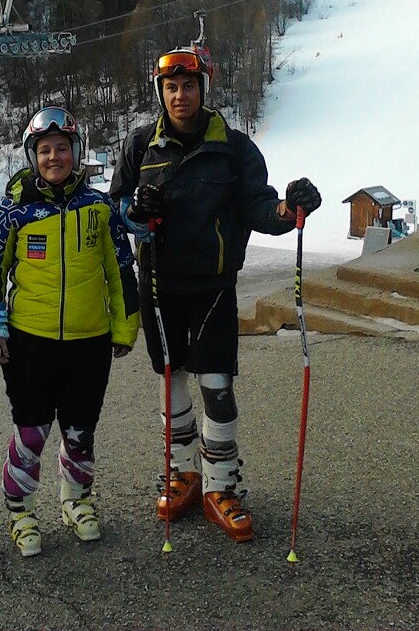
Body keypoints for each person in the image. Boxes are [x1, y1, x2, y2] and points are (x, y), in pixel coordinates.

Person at [109, 45, 321, 542]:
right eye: (170, 87)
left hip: (213, 285)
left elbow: (258, 207)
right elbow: (117, 208)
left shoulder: (234, 147)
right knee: (172, 380)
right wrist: (136, 211)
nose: (179, 95)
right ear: (160, 92)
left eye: (188, 86)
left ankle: (221, 485)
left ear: (203, 89)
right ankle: (183, 473)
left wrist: (288, 209)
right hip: (159, 282)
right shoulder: (140, 145)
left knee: (217, 384)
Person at [0, 106, 139, 557]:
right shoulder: (12, 209)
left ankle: (76, 501)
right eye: (44, 150)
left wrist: (125, 327)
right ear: (33, 156)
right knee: (32, 433)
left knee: (80, 431)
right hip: (30, 339)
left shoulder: (100, 208)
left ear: (76, 152)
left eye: (62, 148)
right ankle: (20, 510)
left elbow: (121, 269)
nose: (53, 157)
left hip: (90, 341)